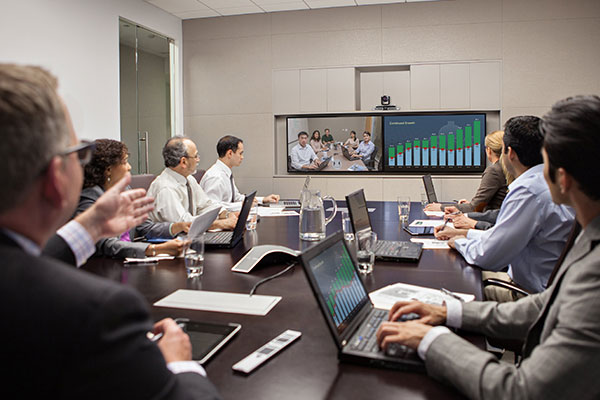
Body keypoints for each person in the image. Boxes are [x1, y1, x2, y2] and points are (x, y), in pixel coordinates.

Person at [0, 64, 221, 399]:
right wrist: (178, 365)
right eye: (79, 153)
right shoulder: (99, 311)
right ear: (56, 181)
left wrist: (88, 228)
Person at [377, 95, 600, 400]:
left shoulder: (594, 273)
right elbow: (546, 304)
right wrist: (449, 311)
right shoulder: (590, 234)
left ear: (562, 178)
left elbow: (521, 391)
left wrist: (432, 340)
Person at [435, 116, 574, 301]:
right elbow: (503, 236)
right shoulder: (546, 181)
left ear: (510, 153)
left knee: (451, 285)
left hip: (529, 296)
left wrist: (458, 243)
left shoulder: (528, 191)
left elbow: (488, 256)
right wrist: (465, 234)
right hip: (549, 288)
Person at [77, 139, 188, 258]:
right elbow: (105, 244)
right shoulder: (89, 198)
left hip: (126, 261)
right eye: (125, 162)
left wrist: (178, 226)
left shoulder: (125, 190)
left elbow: (146, 227)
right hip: (103, 266)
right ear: (108, 170)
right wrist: (154, 250)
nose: (129, 167)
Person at [147, 136, 236, 229]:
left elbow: (205, 206)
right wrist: (220, 224)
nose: (198, 160)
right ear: (183, 162)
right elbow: (183, 224)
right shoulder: (165, 188)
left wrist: (226, 215)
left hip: (190, 237)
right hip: (172, 241)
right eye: (195, 156)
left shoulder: (189, 179)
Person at [425, 130, 508, 213]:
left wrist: (441, 207)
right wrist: (467, 205)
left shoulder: (494, 171)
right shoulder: (506, 168)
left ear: (489, 150)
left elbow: (473, 208)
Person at [200, 135, 280, 211]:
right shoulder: (215, 176)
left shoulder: (225, 173)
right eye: (240, 153)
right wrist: (241, 205)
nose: (242, 157)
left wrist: (263, 199)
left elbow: (236, 197)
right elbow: (212, 207)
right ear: (230, 153)